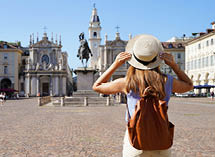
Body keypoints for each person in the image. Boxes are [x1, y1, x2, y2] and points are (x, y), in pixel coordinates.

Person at [92, 34, 193, 157]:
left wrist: (115, 65)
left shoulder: (127, 82)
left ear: (133, 59)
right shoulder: (167, 81)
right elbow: (189, 85)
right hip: (161, 140)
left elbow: (97, 86)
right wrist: (174, 65)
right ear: (157, 59)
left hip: (135, 141)